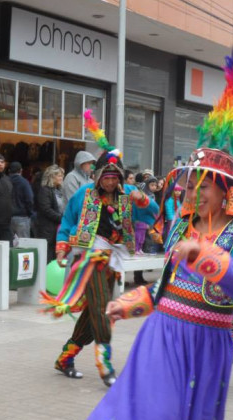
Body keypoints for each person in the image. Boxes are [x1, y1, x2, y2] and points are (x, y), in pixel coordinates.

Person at [78, 43, 233, 420]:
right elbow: (166, 288)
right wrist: (133, 302)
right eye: (189, 183)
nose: (192, 192)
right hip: (160, 337)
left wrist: (206, 256)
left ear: (225, 190)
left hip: (205, 345)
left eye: (204, 185)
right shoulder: (181, 225)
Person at [42, 109, 159, 388]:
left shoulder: (129, 195)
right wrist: (61, 249)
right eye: (105, 176)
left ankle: (65, 357)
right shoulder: (84, 194)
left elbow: (152, 214)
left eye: (113, 176)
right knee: (102, 309)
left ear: (119, 176)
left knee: (93, 311)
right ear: (97, 176)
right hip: (91, 256)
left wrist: (145, 200)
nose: (109, 180)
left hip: (114, 259)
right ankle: (105, 364)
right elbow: (68, 221)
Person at [34, 165, 65, 262]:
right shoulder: (45, 190)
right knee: (47, 254)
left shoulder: (59, 190)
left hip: (58, 227)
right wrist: (61, 218)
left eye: (61, 175)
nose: (61, 178)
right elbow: (46, 209)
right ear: (51, 177)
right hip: (47, 228)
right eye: (59, 176)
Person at [9, 161, 34, 238]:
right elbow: (30, 199)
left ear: (9, 171)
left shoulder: (5, 181)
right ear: (21, 170)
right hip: (22, 217)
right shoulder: (24, 182)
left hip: (8, 217)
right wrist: (30, 213)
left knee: (9, 245)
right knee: (24, 245)